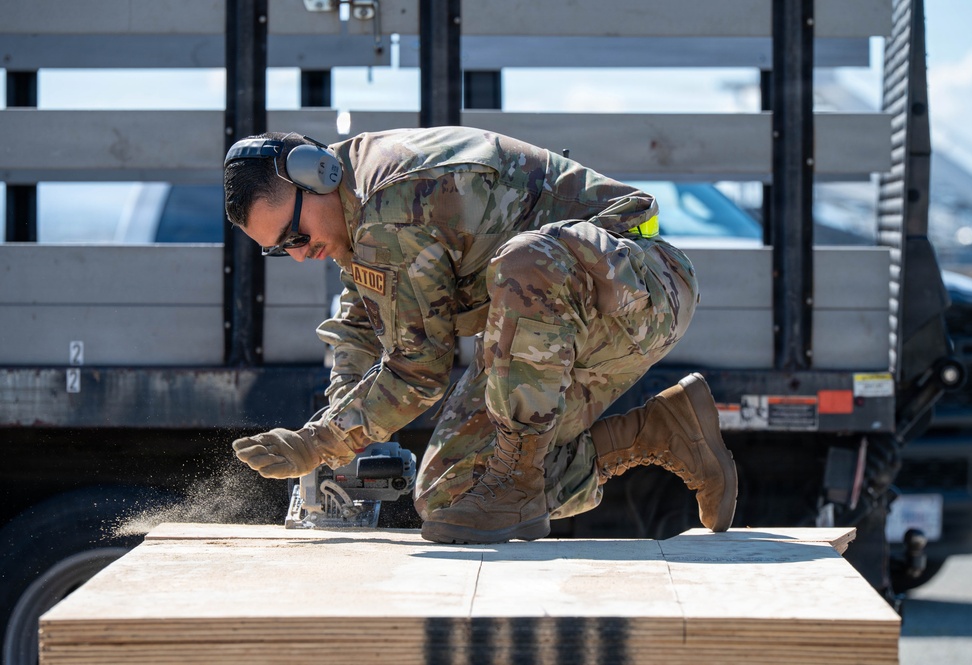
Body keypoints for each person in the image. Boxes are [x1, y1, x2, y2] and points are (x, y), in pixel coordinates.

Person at [226, 127, 737, 544]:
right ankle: (662, 431)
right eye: (279, 249)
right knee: (452, 500)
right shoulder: (354, 219)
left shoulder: (391, 208)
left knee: (527, 262)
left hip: (640, 286)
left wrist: (320, 444)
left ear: (317, 175)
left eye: (295, 236)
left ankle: (517, 481)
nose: (297, 253)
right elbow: (361, 330)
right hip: (563, 323)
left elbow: (417, 373)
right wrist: (338, 443)